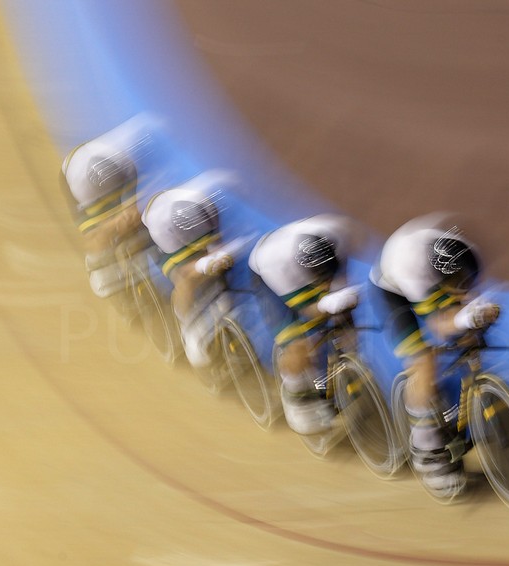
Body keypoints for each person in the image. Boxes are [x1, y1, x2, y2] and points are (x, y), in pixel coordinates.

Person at [369, 212, 500, 500]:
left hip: (429, 270)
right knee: (424, 361)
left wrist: (477, 314)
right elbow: (438, 326)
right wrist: (465, 318)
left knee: (470, 332)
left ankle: (462, 401)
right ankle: (425, 446)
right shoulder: (414, 272)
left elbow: (469, 297)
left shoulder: (466, 255)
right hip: (393, 290)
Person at [248, 214, 360, 435]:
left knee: (343, 315)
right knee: (297, 344)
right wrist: (327, 304)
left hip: (305, 258)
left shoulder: (337, 238)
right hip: (269, 275)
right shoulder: (278, 266)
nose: (325, 284)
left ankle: (342, 372)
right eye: (322, 280)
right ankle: (294, 391)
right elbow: (308, 310)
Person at [140, 171, 238, 369]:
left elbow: (216, 245)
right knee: (185, 279)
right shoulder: (161, 226)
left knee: (214, 262)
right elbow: (184, 272)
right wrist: (203, 265)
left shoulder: (207, 206)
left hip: (189, 216)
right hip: (164, 236)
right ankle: (184, 324)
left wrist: (216, 256)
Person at [60, 116, 158, 298]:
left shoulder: (138, 155)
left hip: (120, 171)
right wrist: (115, 225)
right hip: (88, 179)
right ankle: (97, 262)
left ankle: (141, 271)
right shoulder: (81, 180)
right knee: (100, 234)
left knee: (137, 220)